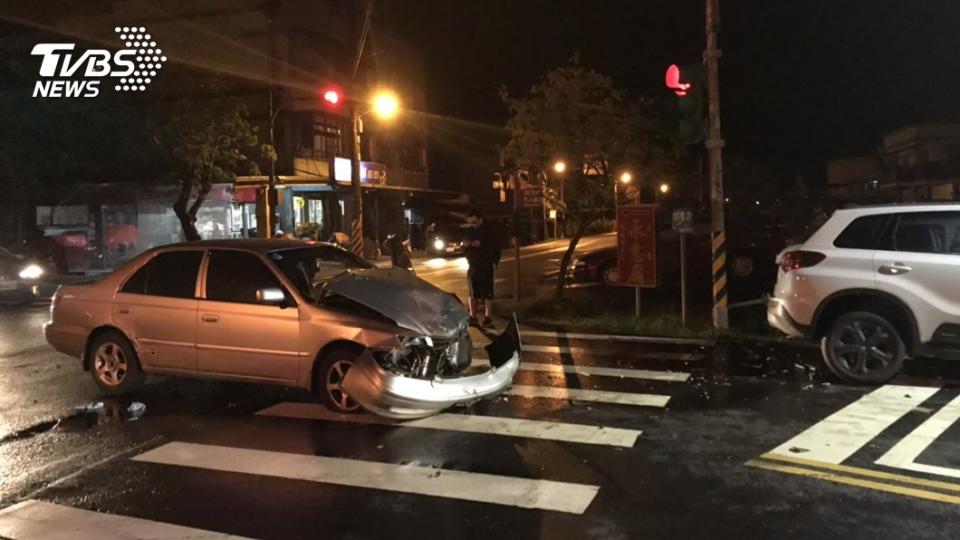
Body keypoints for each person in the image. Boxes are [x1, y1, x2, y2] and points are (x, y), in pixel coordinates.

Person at [463, 208, 499, 327]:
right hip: (473, 265)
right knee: (473, 292)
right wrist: (466, 246)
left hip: (486, 264)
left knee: (487, 292)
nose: (473, 225)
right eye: (470, 222)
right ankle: (473, 316)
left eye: (475, 222)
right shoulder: (469, 231)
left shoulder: (489, 231)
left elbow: (495, 247)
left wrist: (494, 261)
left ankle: (487, 317)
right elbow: (464, 246)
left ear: (480, 220)